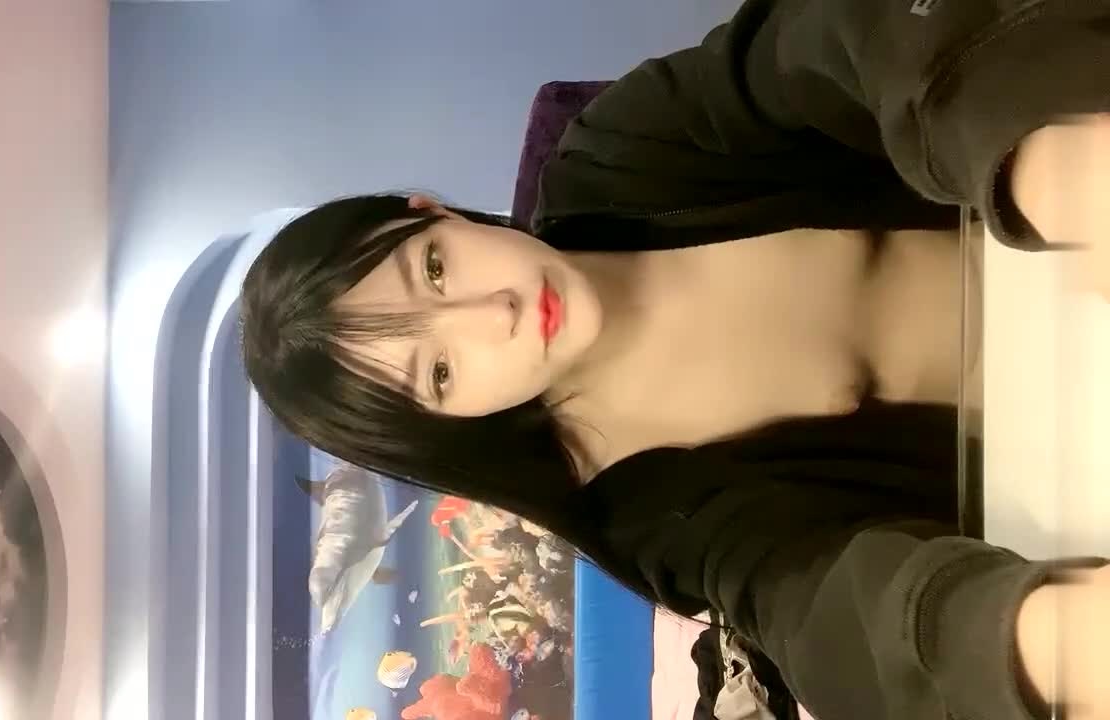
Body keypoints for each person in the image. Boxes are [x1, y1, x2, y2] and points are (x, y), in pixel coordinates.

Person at [239, 0, 1110, 717]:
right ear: (447, 424)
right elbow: (826, 610)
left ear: (428, 210)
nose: (491, 314)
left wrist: (1046, 162)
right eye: (439, 372)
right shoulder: (638, 505)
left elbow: (834, 36)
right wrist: (1041, 640)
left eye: (434, 269)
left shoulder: (625, 151)